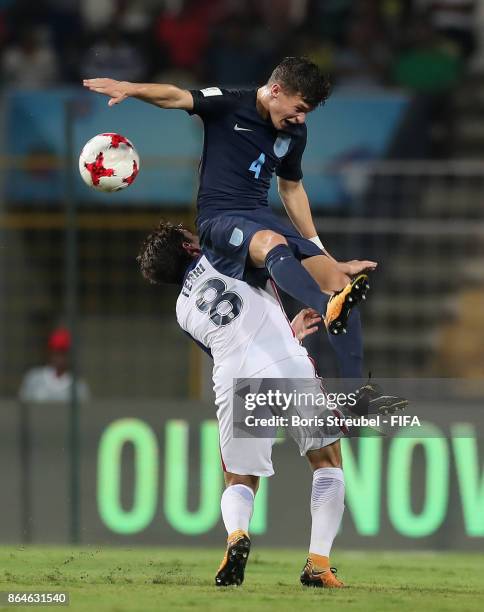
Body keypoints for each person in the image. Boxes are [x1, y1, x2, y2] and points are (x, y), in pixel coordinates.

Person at [137, 221, 399, 588]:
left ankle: (237, 536)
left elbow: (233, 336)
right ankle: (318, 564)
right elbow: (282, 260)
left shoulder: (182, 311)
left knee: (238, 478)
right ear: (189, 248)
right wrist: (333, 270)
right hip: (285, 364)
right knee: (327, 462)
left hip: (234, 377)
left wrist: (285, 328)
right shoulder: (224, 253)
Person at [83, 57, 376, 350]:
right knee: (273, 252)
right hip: (223, 221)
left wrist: (319, 249)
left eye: (306, 112)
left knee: (329, 278)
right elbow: (176, 96)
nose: (301, 119)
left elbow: (291, 187)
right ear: (276, 90)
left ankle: (344, 357)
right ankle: (326, 308)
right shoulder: (229, 104)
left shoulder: (295, 131)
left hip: (259, 219)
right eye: (299, 109)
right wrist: (131, 88)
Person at [18, 327, 90, 404]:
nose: (59, 357)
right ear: (49, 352)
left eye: (63, 352)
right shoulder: (34, 378)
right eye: (56, 352)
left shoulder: (78, 385)